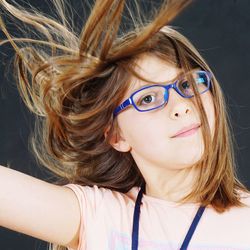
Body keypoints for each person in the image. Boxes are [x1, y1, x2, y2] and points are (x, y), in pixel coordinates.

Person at [0, 0, 250, 250]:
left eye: (186, 84)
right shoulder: (97, 214)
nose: (181, 105)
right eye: (148, 98)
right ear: (117, 137)